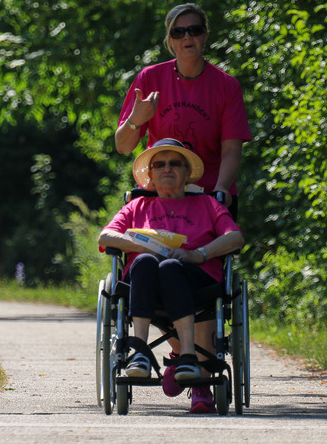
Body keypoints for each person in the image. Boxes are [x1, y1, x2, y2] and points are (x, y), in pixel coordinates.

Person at [98, 139, 244, 414]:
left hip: (195, 278)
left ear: (187, 173)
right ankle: (139, 352)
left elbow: (235, 237)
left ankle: (188, 355)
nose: (167, 169)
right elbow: (106, 236)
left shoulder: (207, 204)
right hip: (143, 281)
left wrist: (198, 254)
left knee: (169, 267)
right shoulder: (137, 206)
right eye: (160, 164)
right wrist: (142, 245)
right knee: (144, 261)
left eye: (175, 163)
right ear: (150, 175)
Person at [115, 2, 251, 216]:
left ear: (205, 36)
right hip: (160, 193)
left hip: (210, 198)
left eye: (194, 30)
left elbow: (232, 151)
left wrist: (221, 189)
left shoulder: (226, 86)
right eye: (178, 32)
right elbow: (123, 146)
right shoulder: (150, 78)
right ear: (170, 40)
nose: (187, 37)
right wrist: (136, 120)